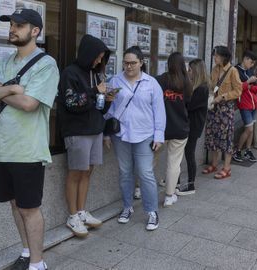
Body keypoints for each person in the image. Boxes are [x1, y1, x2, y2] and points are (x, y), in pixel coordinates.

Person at [0, 9, 58, 270]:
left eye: (19, 25)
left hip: (27, 150)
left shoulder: (46, 64)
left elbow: (29, 103)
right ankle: (26, 252)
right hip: (1, 149)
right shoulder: (6, 61)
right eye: (11, 24)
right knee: (15, 204)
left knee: (29, 208)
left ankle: (38, 263)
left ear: (35, 31)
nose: (12, 29)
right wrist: (10, 88)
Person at [105, 46, 165, 230]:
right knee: (125, 172)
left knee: (145, 173)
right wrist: (106, 133)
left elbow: (159, 111)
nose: (128, 66)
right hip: (121, 134)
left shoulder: (151, 83)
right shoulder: (115, 80)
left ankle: (151, 211)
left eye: (133, 63)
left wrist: (159, 135)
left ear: (141, 63)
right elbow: (109, 109)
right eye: (126, 63)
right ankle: (127, 207)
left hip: (145, 134)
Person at [57, 34, 111, 238]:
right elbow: (71, 103)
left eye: (101, 58)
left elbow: (98, 105)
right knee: (76, 173)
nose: (99, 61)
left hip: (95, 129)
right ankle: (72, 216)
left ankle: (81, 211)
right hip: (77, 131)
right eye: (98, 57)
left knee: (88, 171)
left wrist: (108, 99)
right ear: (88, 54)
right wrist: (94, 91)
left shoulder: (96, 74)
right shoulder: (70, 73)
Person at [156, 52, 192, 206]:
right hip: (180, 128)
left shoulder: (159, 80)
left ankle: (139, 189)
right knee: (174, 164)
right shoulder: (187, 82)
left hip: (160, 129)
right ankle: (169, 196)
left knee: (150, 161)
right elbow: (188, 104)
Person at [202, 46, 242, 179]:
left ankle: (227, 168)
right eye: (214, 55)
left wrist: (223, 96)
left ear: (224, 57)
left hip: (226, 109)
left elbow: (238, 91)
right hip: (214, 108)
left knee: (226, 138)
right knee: (213, 136)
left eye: (217, 56)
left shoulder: (233, 71)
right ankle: (214, 164)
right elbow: (212, 86)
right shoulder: (215, 69)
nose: (214, 58)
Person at [176, 59, 209, 195]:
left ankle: (190, 185)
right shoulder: (196, 87)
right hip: (191, 125)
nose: (188, 72)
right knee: (182, 154)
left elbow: (189, 106)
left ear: (196, 71)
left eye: (190, 70)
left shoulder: (201, 89)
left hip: (193, 127)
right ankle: (176, 180)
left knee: (189, 154)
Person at [233, 50, 257, 163]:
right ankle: (237, 151)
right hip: (244, 104)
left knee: (251, 129)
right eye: (251, 62)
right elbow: (238, 88)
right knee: (248, 129)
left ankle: (248, 150)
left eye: (253, 63)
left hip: (254, 103)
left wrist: (249, 85)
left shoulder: (250, 70)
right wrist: (248, 83)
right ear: (245, 59)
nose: (252, 65)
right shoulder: (236, 70)